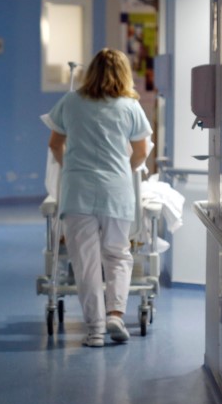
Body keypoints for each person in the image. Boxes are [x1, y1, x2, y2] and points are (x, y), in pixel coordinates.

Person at [45, 48, 152, 347]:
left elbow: (55, 144)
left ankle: (95, 330)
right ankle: (116, 313)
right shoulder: (130, 107)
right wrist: (122, 170)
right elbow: (141, 152)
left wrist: (72, 169)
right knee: (117, 254)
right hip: (116, 192)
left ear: (91, 71)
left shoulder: (70, 102)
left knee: (86, 262)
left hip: (77, 190)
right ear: (124, 74)